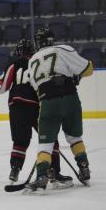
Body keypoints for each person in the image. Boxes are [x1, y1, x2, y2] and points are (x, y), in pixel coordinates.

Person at [0, 39, 72, 188]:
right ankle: (54, 171)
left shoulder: (14, 63)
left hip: (17, 105)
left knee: (20, 141)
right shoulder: (39, 62)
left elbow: (0, 88)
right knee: (49, 139)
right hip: (37, 106)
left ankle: (15, 169)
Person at [25, 28, 93, 193]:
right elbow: (88, 69)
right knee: (74, 137)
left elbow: (36, 87)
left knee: (45, 144)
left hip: (47, 102)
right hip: (70, 99)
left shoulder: (32, 60)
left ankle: (42, 176)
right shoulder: (63, 49)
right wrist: (75, 76)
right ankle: (84, 167)